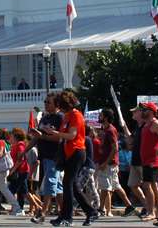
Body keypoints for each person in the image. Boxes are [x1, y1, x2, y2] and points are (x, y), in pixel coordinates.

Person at [43, 90, 97, 227]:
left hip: (77, 152)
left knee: (68, 184)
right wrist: (51, 133)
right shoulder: (67, 116)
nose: (57, 105)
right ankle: (90, 212)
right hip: (69, 152)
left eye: (59, 103)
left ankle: (67, 217)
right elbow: (64, 135)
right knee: (72, 186)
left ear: (64, 104)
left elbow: (72, 135)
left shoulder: (76, 115)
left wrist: (55, 132)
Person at [29, 93, 63, 224]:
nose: (46, 104)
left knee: (50, 182)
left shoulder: (60, 118)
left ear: (56, 104)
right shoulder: (44, 118)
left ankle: (43, 213)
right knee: (58, 186)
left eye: (48, 102)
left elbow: (60, 137)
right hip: (44, 156)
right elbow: (36, 137)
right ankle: (64, 212)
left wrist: (42, 136)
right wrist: (24, 151)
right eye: (45, 101)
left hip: (55, 156)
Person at [95, 108, 134, 217]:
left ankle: (100, 209)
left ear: (106, 118)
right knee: (116, 186)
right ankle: (129, 206)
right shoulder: (106, 130)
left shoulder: (110, 130)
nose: (99, 117)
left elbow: (115, 148)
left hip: (109, 164)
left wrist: (105, 162)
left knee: (104, 187)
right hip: (110, 164)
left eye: (101, 115)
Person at [139, 103, 158, 222]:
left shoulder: (156, 124)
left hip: (153, 161)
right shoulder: (146, 124)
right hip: (146, 160)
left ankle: (152, 212)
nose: (142, 111)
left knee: (147, 185)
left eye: (144, 109)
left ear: (151, 111)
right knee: (153, 186)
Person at [0, 129, 21, 215]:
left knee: (3, 189)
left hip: (1, 170)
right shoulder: (6, 142)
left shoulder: (1, 142)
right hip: (1, 169)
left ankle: (17, 207)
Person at [9, 128, 30, 211]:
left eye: (12, 135)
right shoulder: (15, 145)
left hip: (22, 171)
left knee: (13, 190)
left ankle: (37, 206)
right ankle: (18, 207)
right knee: (23, 192)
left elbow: (20, 159)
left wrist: (13, 170)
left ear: (16, 136)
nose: (10, 136)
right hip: (19, 171)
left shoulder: (20, 145)